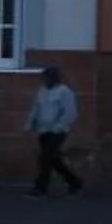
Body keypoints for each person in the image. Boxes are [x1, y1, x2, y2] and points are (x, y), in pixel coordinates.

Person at [26, 65, 83, 197]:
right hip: (43, 130)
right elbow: (36, 108)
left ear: (54, 78)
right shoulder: (42, 91)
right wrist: (30, 125)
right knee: (53, 160)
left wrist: (59, 127)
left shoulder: (64, 92)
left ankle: (40, 188)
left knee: (45, 159)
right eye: (44, 77)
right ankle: (74, 182)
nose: (45, 80)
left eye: (48, 77)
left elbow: (70, 112)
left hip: (57, 131)